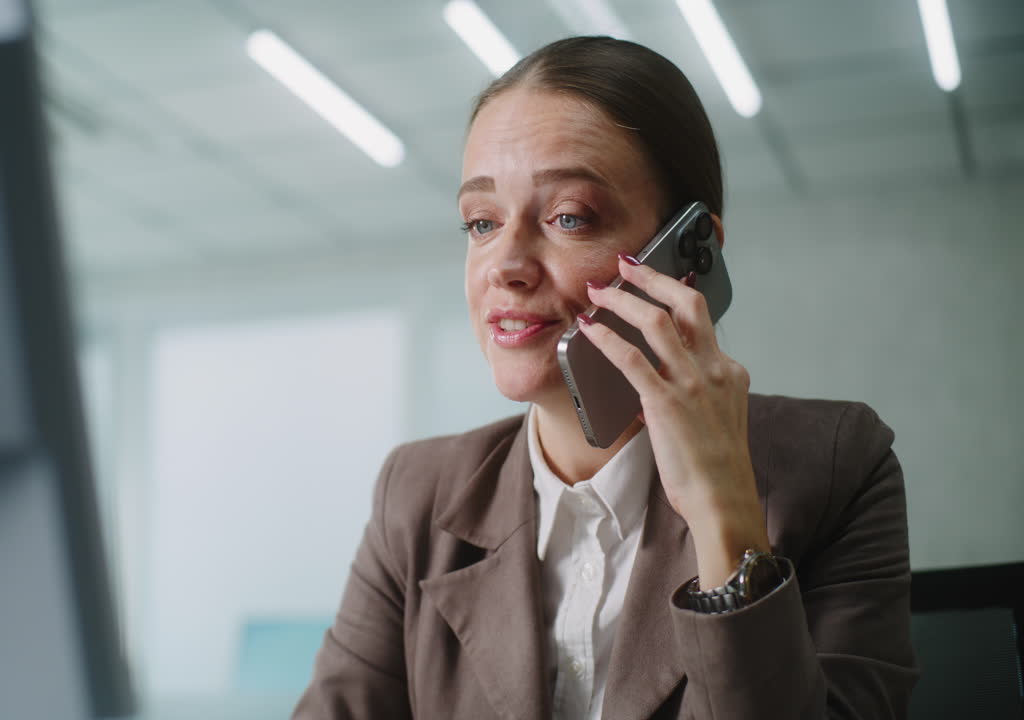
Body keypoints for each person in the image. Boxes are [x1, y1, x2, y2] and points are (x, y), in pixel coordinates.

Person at [293, 36, 917, 720]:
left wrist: (724, 516)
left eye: (568, 217)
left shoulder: (839, 464)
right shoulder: (415, 495)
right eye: (481, 222)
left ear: (688, 253)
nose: (503, 264)